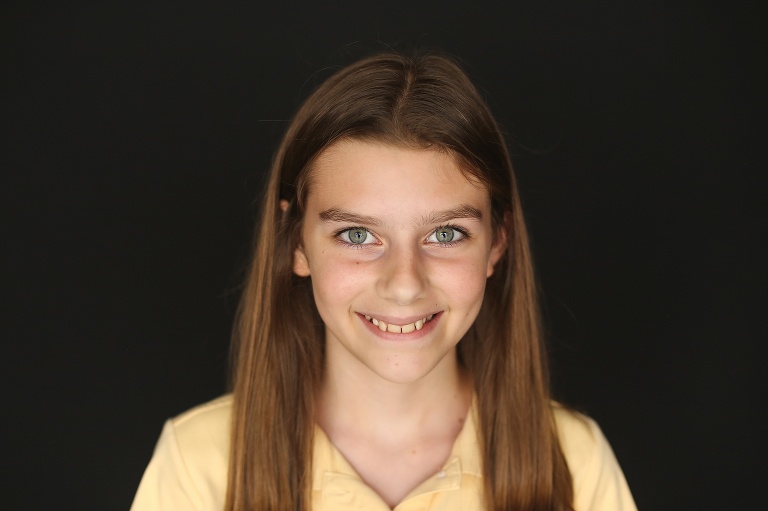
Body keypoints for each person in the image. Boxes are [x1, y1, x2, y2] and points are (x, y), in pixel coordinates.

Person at [130, 51, 636, 511]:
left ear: (497, 243)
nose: (403, 284)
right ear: (297, 244)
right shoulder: (199, 465)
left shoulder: (573, 461)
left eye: (445, 232)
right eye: (356, 234)